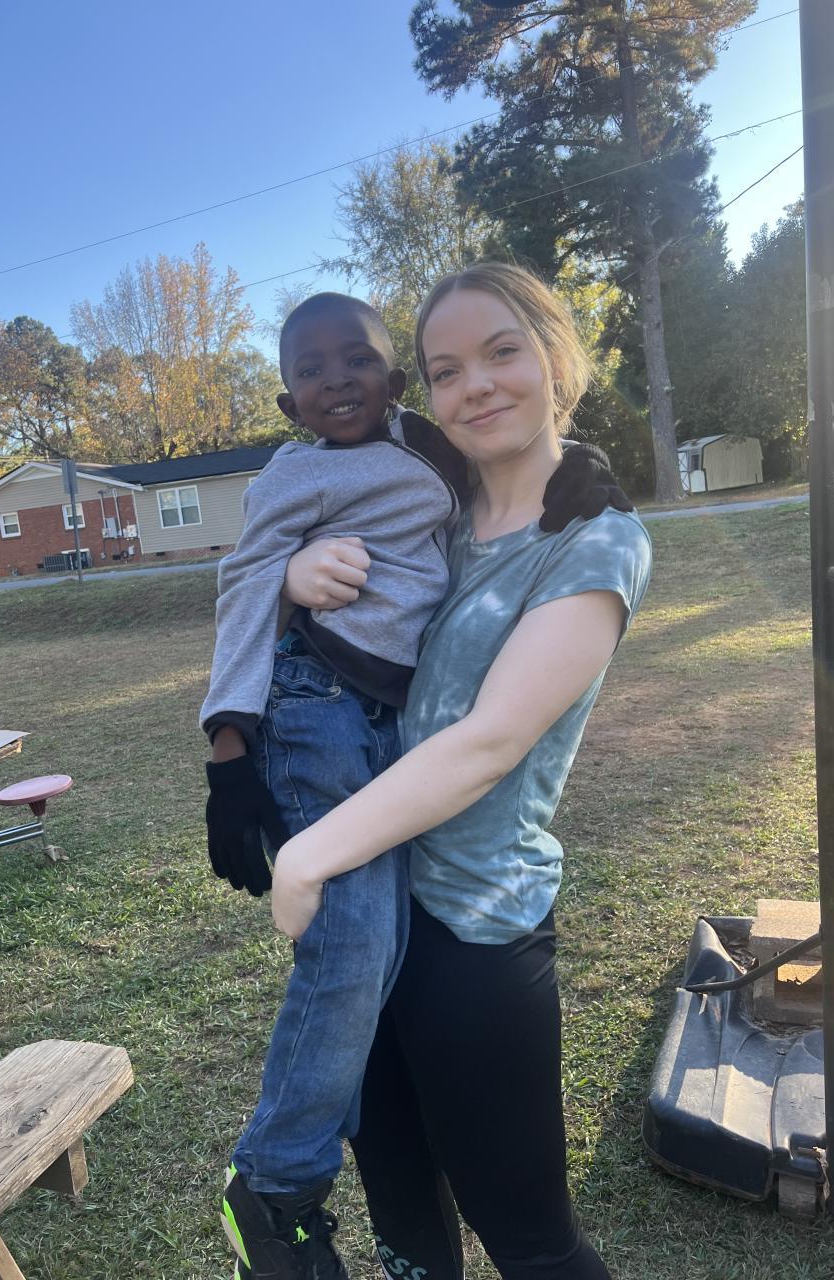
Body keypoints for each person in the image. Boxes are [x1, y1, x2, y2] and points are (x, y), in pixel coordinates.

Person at [270, 262, 651, 1280]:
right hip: (370, 916)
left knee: (531, 1244)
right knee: (403, 1222)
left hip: (472, 930)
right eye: (445, 370)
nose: (474, 385)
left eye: (501, 352)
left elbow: (489, 743)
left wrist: (307, 854)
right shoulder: (428, 507)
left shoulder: (595, 540)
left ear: (553, 357)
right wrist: (290, 577)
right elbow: (296, 534)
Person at [200, 291, 471, 1280]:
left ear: (394, 378)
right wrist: (228, 751)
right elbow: (244, 585)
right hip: (313, 700)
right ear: (288, 403)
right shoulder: (294, 473)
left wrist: (585, 469)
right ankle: (274, 1187)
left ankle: (322, 1183)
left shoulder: (430, 446)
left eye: (355, 359)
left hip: (395, 719)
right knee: (351, 940)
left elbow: (508, 469)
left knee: (383, 947)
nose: (336, 380)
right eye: (310, 370)